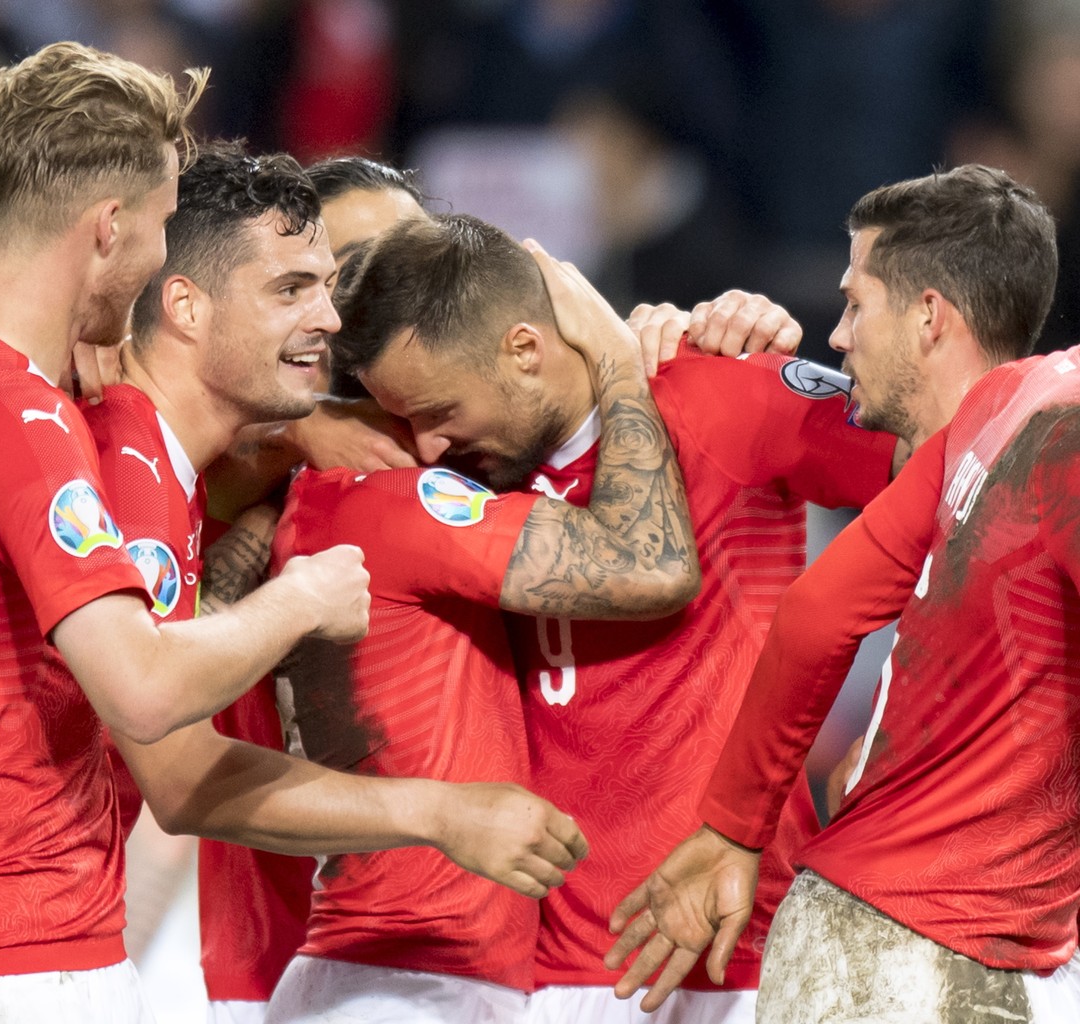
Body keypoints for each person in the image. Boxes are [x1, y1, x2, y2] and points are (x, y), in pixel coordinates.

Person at [0, 46, 582, 1023]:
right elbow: (161, 729)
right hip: (3, 957)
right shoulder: (54, 438)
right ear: (116, 236)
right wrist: (306, 613)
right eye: (158, 232)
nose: (331, 318)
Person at [332, 212, 902, 1024]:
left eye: (438, 410)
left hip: (743, 955)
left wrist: (899, 729)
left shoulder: (722, 390)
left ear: (525, 349)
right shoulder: (453, 475)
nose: (424, 447)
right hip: (545, 971)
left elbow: (959, 477)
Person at [604, 165, 1080, 1024]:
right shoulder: (1053, 425)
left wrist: (731, 832)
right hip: (946, 945)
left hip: (858, 931)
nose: (836, 333)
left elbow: (813, 615)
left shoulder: (1003, 419)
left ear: (929, 316)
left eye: (858, 305)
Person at [264, 224, 701, 1024]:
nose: (432, 441)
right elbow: (652, 567)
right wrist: (615, 364)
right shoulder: (399, 500)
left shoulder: (317, 495)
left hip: (412, 974)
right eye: (415, 412)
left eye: (439, 408)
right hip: (403, 982)